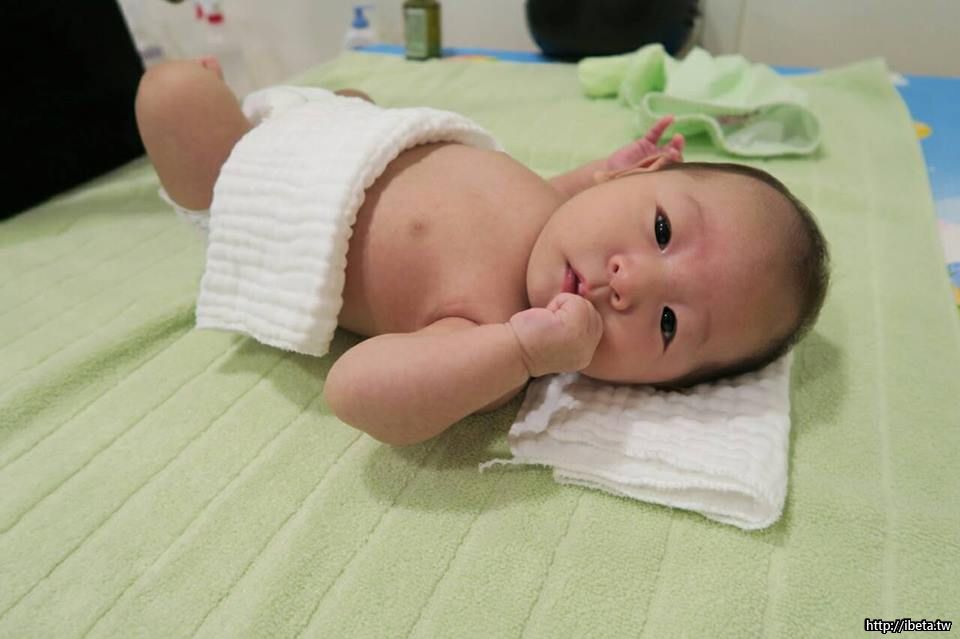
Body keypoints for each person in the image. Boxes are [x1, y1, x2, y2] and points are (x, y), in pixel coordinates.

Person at [135, 58, 829, 446]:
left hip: (258, 189)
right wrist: (594, 173)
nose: (631, 281)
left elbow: (353, 390)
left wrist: (520, 352)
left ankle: (221, 126)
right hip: (347, 130)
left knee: (173, 91)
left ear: (647, 387)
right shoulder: (557, 212)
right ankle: (325, 105)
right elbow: (544, 197)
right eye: (661, 231)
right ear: (633, 178)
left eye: (669, 323)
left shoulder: (489, 337)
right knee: (351, 94)